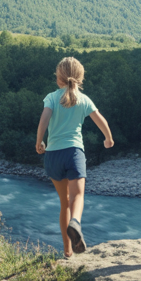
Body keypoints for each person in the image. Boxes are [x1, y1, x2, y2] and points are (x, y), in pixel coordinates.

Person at [36, 57, 114, 258]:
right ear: (80, 78)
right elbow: (100, 120)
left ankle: (67, 251)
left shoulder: (52, 97)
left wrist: (39, 142)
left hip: (53, 155)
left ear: (58, 78)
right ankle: (76, 223)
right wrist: (108, 138)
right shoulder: (84, 99)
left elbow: (44, 119)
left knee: (65, 202)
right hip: (74, 154)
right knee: (77, 197)